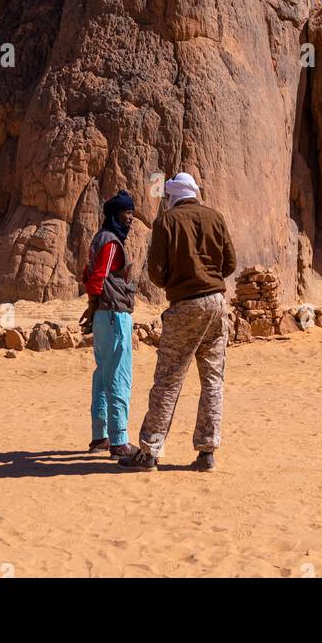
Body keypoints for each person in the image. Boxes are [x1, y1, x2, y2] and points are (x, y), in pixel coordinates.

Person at [119, 172, 236, 473]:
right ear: (194, 192)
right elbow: (230, 264)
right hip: (217, 305)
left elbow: (156, 273)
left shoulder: (166, 222)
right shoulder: (216, 217)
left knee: (168, 380)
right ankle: (207, 452)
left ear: (173, 195)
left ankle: (149, 452)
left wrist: (179, 280)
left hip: (185, 305)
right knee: (212, 380)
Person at [81, 191, 138, 458]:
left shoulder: (99, 239)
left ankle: (99, 436)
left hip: (103, 316)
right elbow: (98, 277)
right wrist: (94, 305)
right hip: (114, 315)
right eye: (127, 213)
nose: (131, 219)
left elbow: (87, 273)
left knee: (103, 375)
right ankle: (119, 441)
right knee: (118, 377)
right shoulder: (112, 242)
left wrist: (93, 308)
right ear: (115, 214)